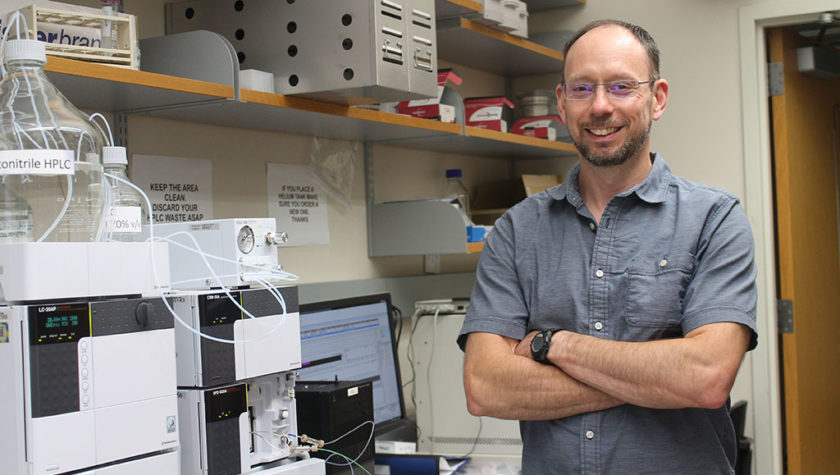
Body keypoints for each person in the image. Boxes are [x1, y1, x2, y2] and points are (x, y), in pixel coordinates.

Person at [457, 19, 757, 474]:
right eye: (581, 89)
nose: (600, 106)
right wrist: (657, 382)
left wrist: (551, 345)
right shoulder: (516, 232)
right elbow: (485, 387)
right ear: (561, 103)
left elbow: (706, 377)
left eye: (621, 87)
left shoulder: (714, 220)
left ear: (657, 99)